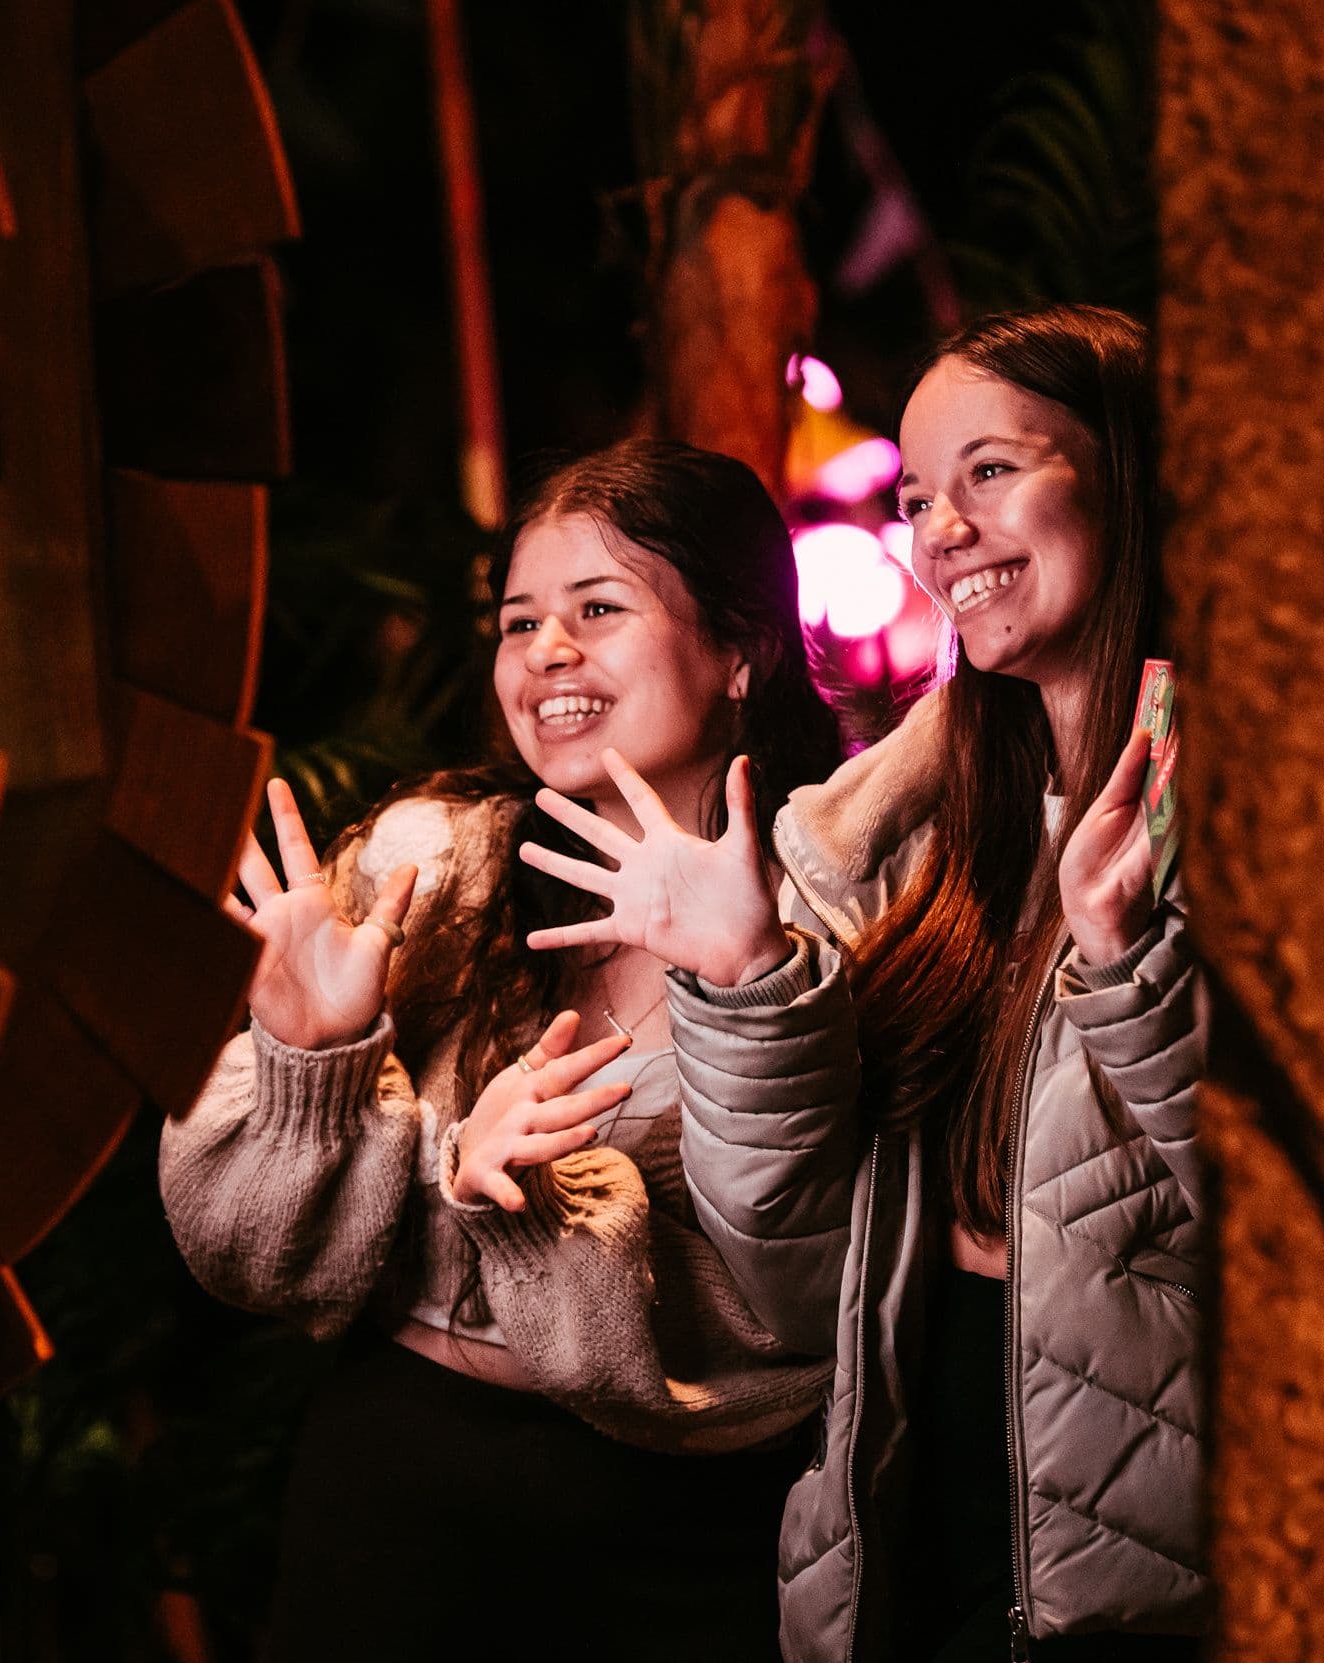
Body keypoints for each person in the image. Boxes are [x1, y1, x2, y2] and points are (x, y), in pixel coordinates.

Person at [519, 306, 1207, 1659]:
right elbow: (794, 1281)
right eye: (915, 494)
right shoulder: (906, 843)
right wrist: (747, 983)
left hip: (1161, 1571)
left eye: (991, 470)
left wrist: (1132, 968)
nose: (941, 525)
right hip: (909, 1531)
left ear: (1129, 472)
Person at [159, 439, 846, 1662]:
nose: (547, 654)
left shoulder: (841, 912)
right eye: (518, 619)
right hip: (400, 1492)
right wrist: (310, 1065)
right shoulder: (432, 868)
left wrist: (538, 1202)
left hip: (690, 1534)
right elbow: (245, 1260)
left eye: (598, 608)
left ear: (743, 647)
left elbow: (824, 1291)